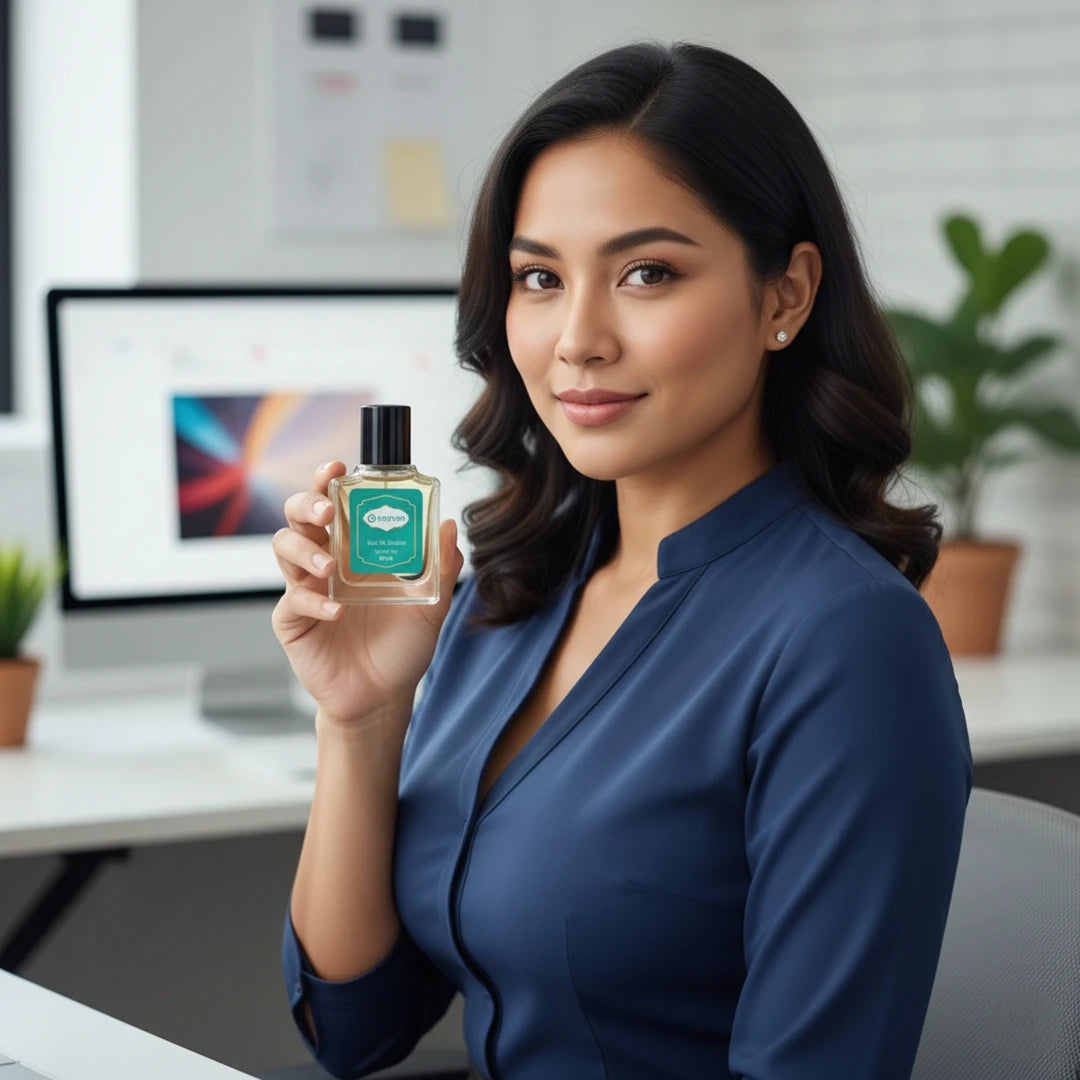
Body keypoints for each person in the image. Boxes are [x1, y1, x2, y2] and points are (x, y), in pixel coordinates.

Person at [273, 41, 973, 1080]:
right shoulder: (513, 586)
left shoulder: (846, 642)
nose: (578, 339)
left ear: (785, 294)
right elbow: (356, 1024)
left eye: (647, 272)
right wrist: (362, 720)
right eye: (539, 278)